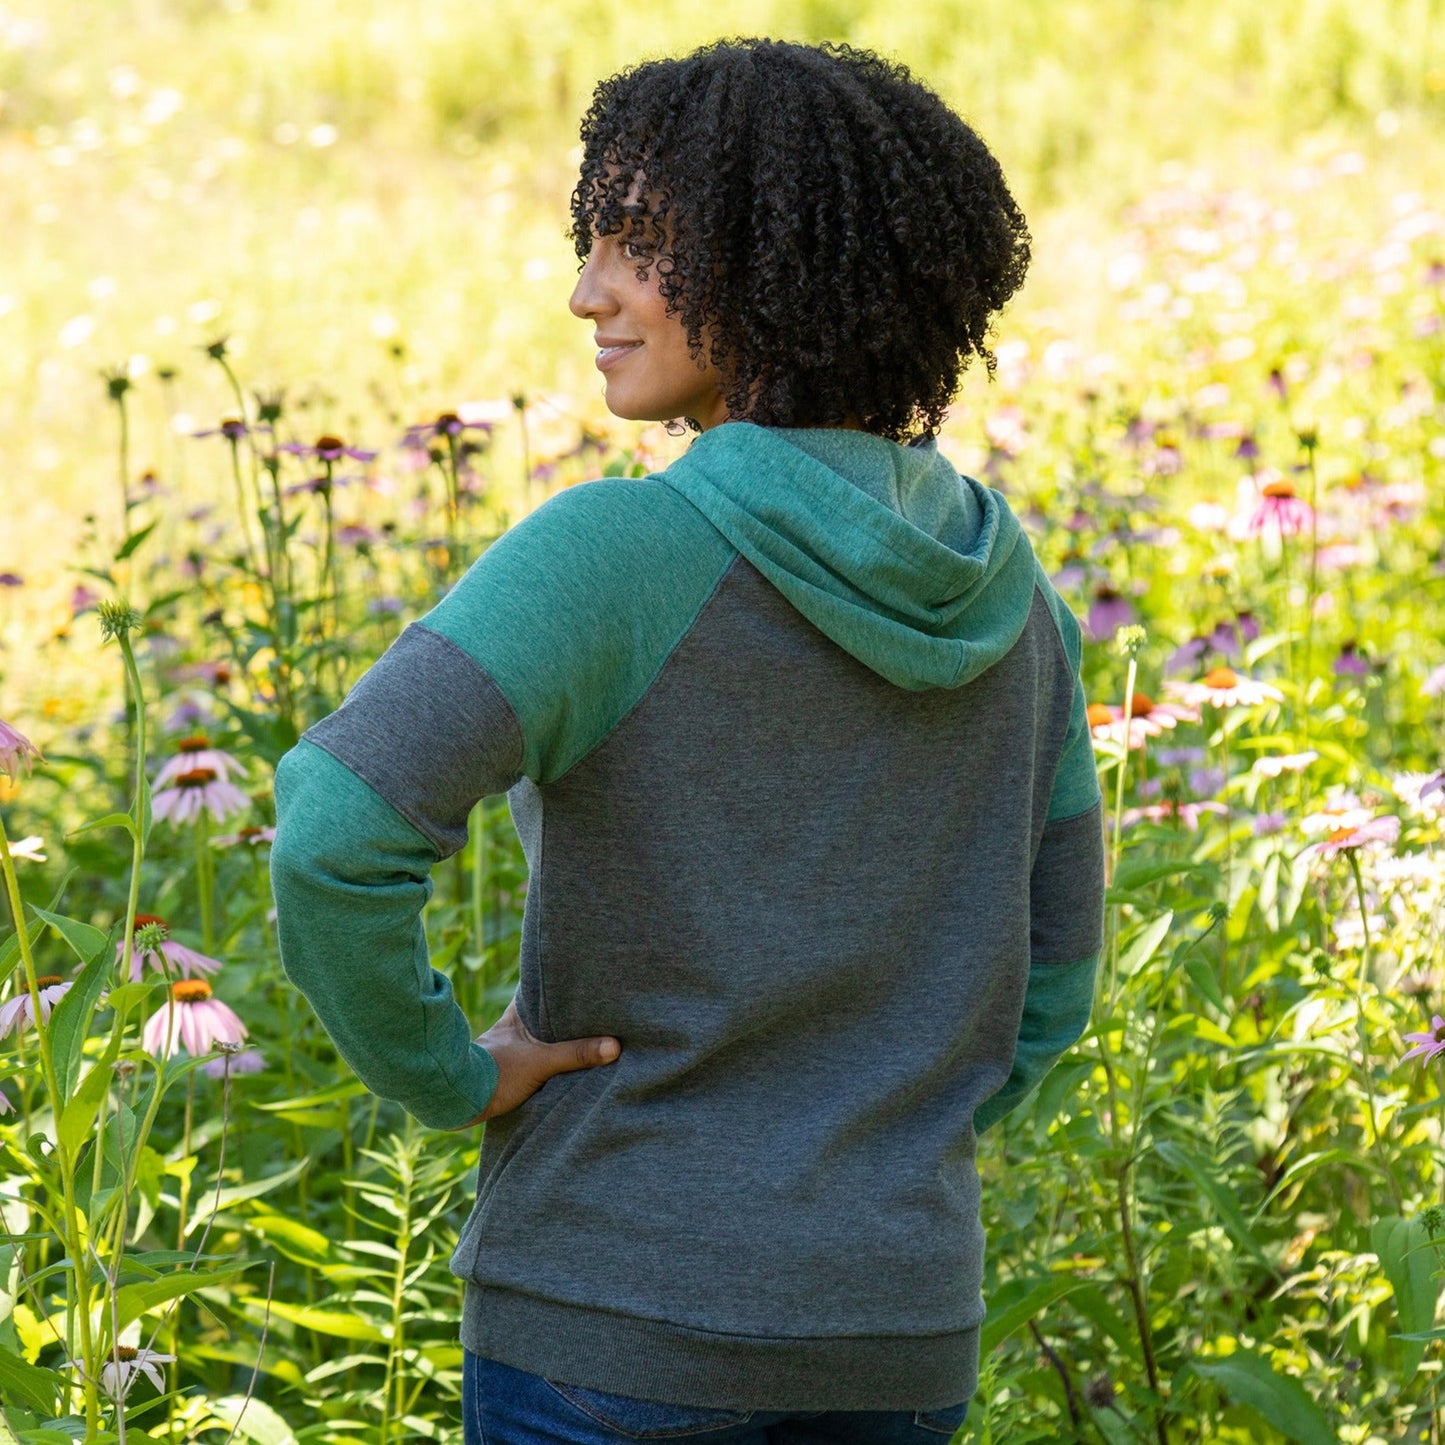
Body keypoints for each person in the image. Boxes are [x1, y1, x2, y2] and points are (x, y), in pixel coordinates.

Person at [270, 36, 1105, 1445]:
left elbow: (335, 831)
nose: (586, 290)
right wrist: (878, 1141)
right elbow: (1055, 976)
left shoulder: (622, 553)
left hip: (611, 1323)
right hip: (893, 1337)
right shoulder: (1012, 601)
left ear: (787, 272)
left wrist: (452, 1073)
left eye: (639, 245)